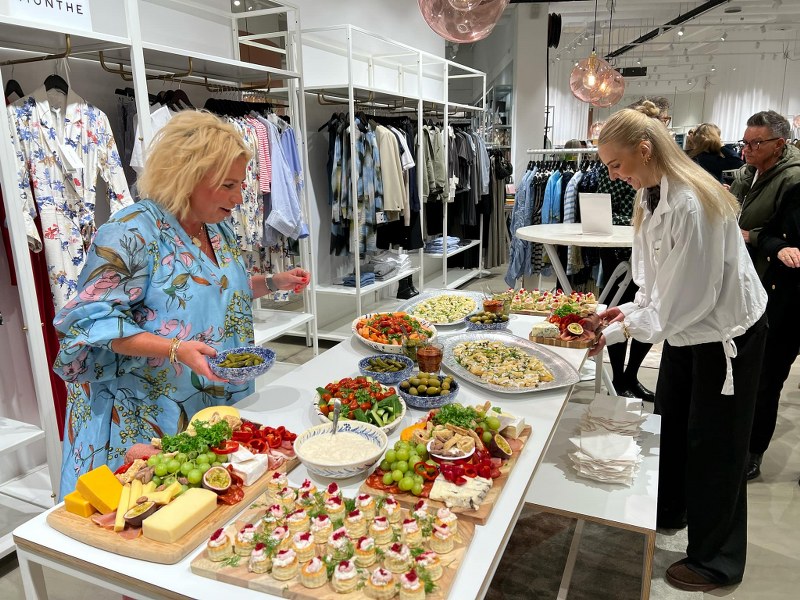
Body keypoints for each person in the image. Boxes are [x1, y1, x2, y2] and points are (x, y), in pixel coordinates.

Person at [52, 111, 310, 496]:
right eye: (228, 185)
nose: (239, 198)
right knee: (148, 509)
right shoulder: (130, 233)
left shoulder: (216, 226)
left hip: (209, 402)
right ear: (187, 176)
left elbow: (219, 290)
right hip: (147, 414)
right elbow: (92, 324)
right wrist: (176, 349)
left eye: (241, 184)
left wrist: (273, 282)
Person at [589, 108, 767, 592]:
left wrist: (616, 331)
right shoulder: (650, 193)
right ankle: (671, 508)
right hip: (690, 330)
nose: (613, 175)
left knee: (716, 447)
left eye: (616, 164)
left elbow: (685, 301)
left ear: (645, 150)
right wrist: (624, 313)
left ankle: (717, 561)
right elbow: (655, 285)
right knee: (671, 424)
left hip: (725, 335)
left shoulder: (690, 202)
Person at [731, 110, 800, 480]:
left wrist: (751, 236)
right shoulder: (748, 172)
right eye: (745, 141)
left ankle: (753, 451)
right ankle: (738, 439)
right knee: (745, 370)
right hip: (747, 283)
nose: (747, 149)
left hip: (778, 291)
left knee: (767, 377)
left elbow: (785, 237)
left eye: (755, 143)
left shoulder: (792, 179)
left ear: (779, 144)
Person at [755, 181, 800, 486]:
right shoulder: (796, 193)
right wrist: (780, 248)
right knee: (767, 380)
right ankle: (754, 449)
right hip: (785, 303)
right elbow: (767, 234)